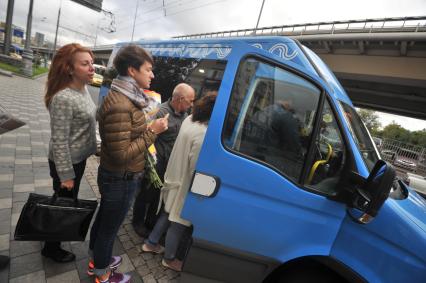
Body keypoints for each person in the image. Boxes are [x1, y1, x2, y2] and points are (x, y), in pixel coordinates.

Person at [88, 44, 168, 283]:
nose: (152, 75)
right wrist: (152, 131)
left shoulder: (127, 96)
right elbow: (122, 154)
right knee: (109, 230)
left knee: (104, 220)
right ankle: (101, 274)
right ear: (132, 70)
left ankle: (97, 260)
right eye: (149, 69)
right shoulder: (122, 104)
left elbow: (126, 134)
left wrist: (146, 123)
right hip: (120, 178)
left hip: (117, 176)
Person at [142, 92, 217, 272]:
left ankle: (151, 243)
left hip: (173, 175)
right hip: (184, 183)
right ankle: (169, 258)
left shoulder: (190, 119)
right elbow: (196, 168)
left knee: (167, 213)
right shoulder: (204, 133)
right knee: (179, 222)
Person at [42, 43, 97, 263]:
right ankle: (51, 247)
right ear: (69, 69)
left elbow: (87, 120)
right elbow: (59, 140)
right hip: (67, 163)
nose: (92, 68)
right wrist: (65, 175)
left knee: (63, 201)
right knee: (63, 203)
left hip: (78, 159)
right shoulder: (64, 98)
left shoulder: (82, 89)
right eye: (85, 64)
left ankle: (49, 232)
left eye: (92, 63)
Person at [132, 83, 196, 238]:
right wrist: (149, 166)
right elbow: (147, 139)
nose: (192, 104)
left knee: (159, 196)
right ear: (180, 99)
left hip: (171, 165)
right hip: (157, 164)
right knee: (146, 196)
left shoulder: (185, 116)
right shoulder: (161, 112)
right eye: (190, 101)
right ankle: (137, 223)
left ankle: (150, 222)